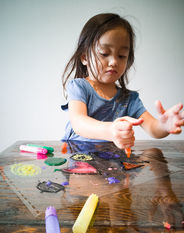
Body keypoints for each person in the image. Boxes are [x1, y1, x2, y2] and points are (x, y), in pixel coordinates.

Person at [61, 13, 184, 149]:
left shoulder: (129, 99)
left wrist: (164, 125)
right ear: (84, 57)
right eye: (104, 53)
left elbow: (153, 128)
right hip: (79, 157)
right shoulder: (79, 87)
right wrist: (111, 130)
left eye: (121, 56)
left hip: (112, 161)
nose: (114, 61)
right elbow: (79, 123)